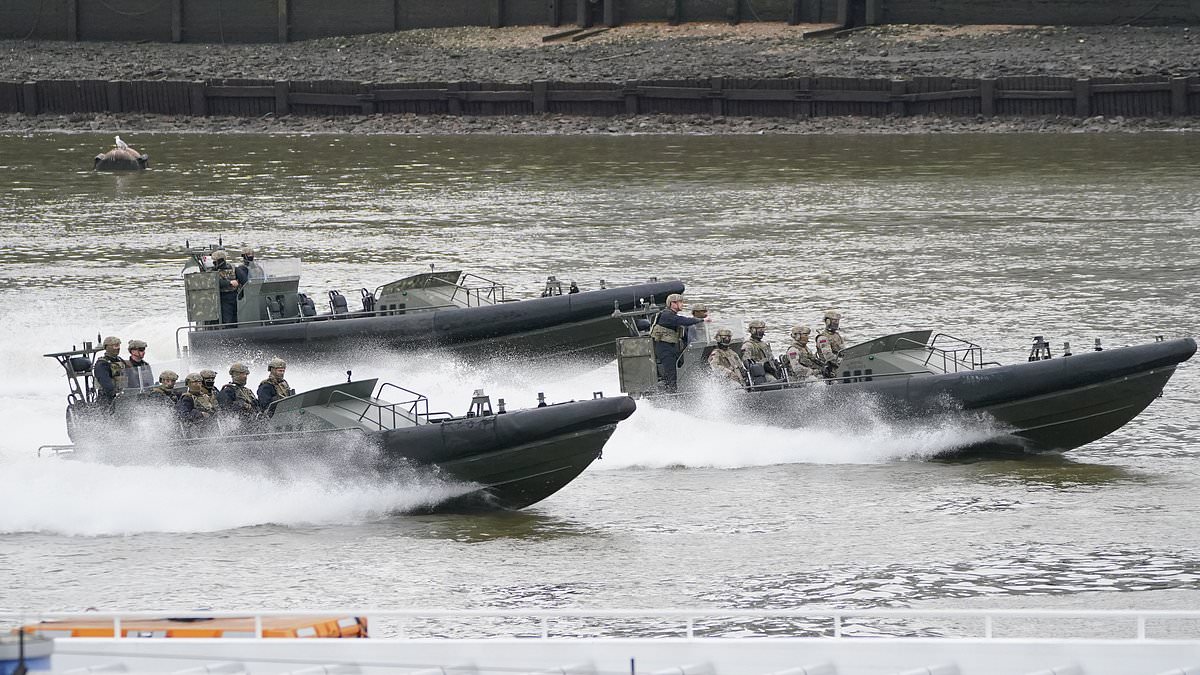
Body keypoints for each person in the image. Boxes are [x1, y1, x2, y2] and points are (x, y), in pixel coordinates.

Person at [648, 294, 705, 393]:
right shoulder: (667, 315)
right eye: (680, 302)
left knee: (681, 365)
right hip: (664, 348)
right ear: (673, 304)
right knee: (671, 374)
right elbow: (683, 321)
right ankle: (671, 396)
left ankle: (681, 389)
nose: (682, 304)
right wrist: (701, 320)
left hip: (671, 347)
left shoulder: (673, 316)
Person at [177, 372, 219, 437]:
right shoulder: (187, 398)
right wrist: (200, 414)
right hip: (196, 432)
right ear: (188, 384)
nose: (198, 385)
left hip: (211, 429)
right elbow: (184, 415)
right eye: (195, 382)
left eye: (199, 382)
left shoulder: (206, 396)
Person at [93, 336, 125, 404]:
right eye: (115, 346)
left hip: (122, 397)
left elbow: (130, 374)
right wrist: (114, 393)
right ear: (108, 347)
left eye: (119, 345)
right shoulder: (102, 364)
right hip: (107, 399)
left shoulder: (120, 360)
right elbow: (106, 382)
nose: (118, 348)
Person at [212, 249, 240, 326]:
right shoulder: (213, 271)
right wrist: (229, 282)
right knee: (228, 319)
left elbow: (244, 279)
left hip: (235, 295)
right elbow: (214, 282)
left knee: (236, 316)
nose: (214, 263)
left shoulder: (233, 268)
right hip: (223, 297)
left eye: (215, 261)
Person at [815, 310, 847, 376]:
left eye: (838, 321)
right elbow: (829, 357)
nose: (837, 323)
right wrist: (844, 362)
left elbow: (844, 351)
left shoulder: (837, 335)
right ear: (828, 321)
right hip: (832, 369)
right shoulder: (823, 338)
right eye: (835, 321)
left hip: (841, 365)